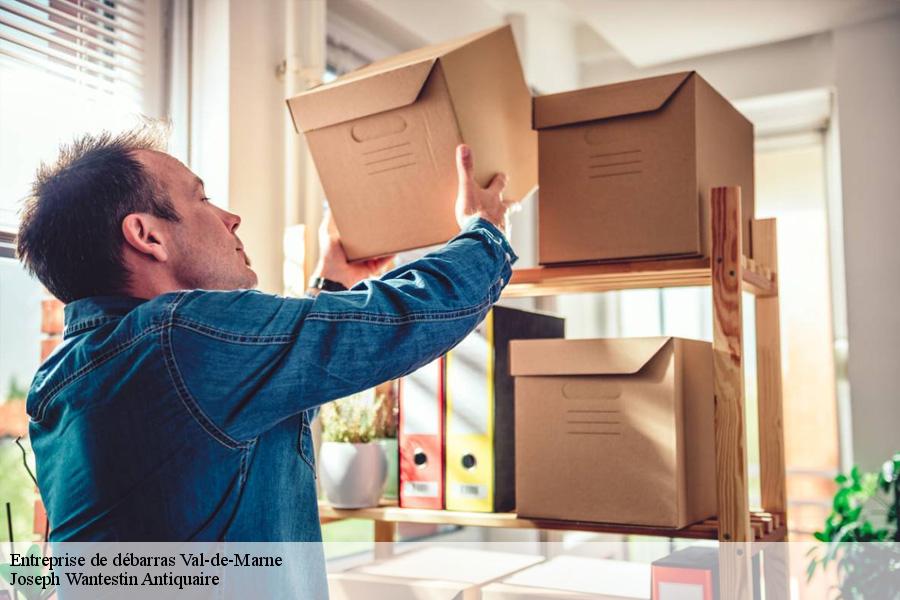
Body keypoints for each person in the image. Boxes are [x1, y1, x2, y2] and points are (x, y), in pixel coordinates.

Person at [16, 126, 517, 544]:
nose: (231, 218)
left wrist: (333, 282)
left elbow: (267, 402)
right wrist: (485, 231)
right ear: (148, 235)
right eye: (202, 198)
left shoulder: (66, 375)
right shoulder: (179, 337)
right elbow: (400, 320)